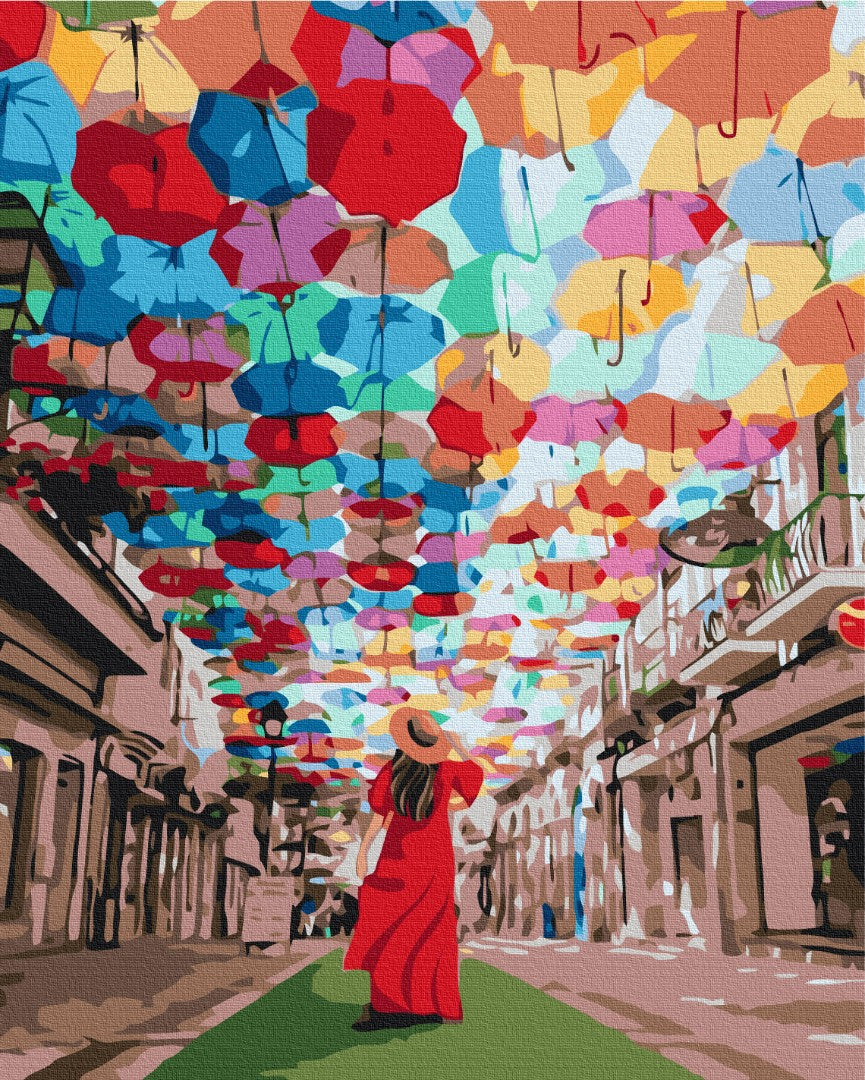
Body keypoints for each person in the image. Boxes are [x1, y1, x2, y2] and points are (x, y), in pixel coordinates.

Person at [344, 707, 483, 1032]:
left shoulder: (393, 771)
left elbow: (379, 815)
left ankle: (388, 1009)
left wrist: (363, 851)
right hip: (435, 859)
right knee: (429, 935)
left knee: (390, 929)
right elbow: (472, 786)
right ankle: (425, 1005)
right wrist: (457, 745)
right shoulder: (446, 770)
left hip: (399, 857)